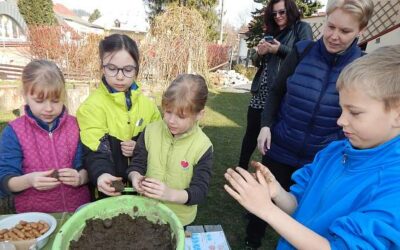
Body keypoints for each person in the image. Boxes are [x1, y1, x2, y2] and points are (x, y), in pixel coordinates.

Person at [226, 45, 400, 249]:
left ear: (397, 115)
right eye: (341, 109)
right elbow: (299, 208)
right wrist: (276, 192)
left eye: (355, 113)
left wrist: (266, 210)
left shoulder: (392, 186)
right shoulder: (335, 152)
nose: (341, 121)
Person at [248, 0, 374, 248]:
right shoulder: (302, 51)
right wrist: (265, 126)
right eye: (330, 27)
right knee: (265, 195)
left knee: (306, 211)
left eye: (345, 31)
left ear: (361, 31)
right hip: (281, 144)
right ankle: (252, 238)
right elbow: (276, 92)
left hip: (321, 158)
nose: (334, 36)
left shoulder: (362, 66)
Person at [77, 34, 161, 198]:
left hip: (143, 187)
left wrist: (139, 146)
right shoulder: (91, 107)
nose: (120, 76)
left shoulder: (149, 107)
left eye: (128, 70)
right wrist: (102, 175)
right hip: (111, 188)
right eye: (112, 68)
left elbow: (161, 142)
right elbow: (95, 152)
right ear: (102, 66)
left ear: (137, 68)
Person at [0, 60, 90, 213]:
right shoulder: (13, 132)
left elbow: (87, 165)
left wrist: (81, 178)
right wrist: (29, 180)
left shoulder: (76, 125)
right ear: (25, 95)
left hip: (77, 210)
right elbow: (6, 180)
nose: (48, 108)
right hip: (35, 216)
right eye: (39, 101)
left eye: (55, 101)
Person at [127, 74, 213, 226]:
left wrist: (170, 194)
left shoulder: (203, 146)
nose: (171, 120)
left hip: (179, 220)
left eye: (181, 116)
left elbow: (200, 191)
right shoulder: (150, 132)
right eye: (167, 111)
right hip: (147, 212)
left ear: (199, 114)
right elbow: (137, 164)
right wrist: (135, 177)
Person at [238, 0, 312, 170]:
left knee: (273, 140)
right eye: (274, 13)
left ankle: (268, 180)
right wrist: (260, 53)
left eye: (282, 12)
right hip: (261, 92)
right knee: (250, 135)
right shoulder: (271, 32)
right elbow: (258, 63)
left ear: (291, 10)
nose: (278, 16)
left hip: (282, 93)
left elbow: (305, 56)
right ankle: (240, 170)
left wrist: (278, 49)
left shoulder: (301, 28)